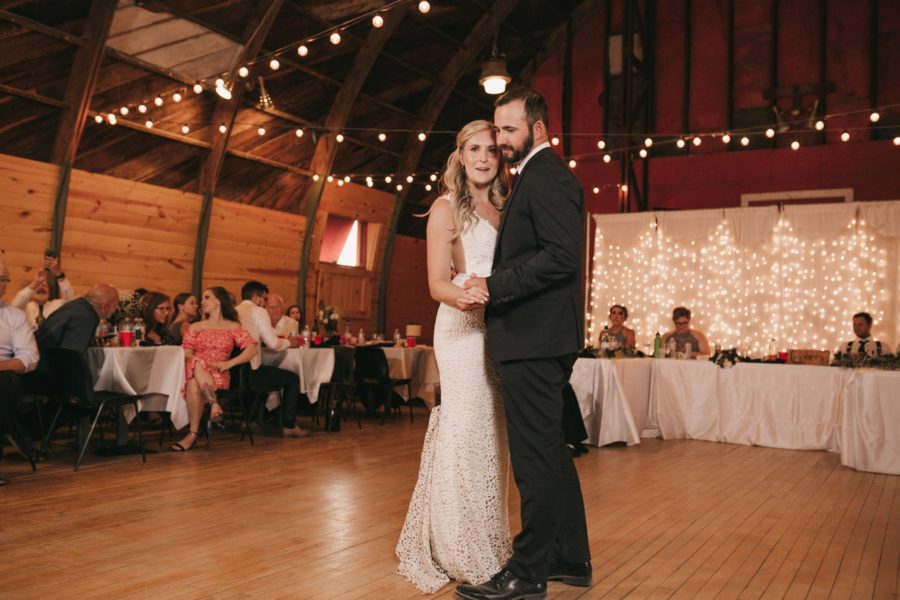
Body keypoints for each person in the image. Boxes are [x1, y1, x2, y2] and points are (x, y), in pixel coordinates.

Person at [458, 88, 591, 600]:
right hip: (538, 339)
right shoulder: (533, 178)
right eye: (498, 130)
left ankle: (528, 571)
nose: (501, 140)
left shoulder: (549, 176)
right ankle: (571, 558)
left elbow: (561, 257)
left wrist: (494, 285)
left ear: (537, 129)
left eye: (509, 130)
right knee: (551, 454)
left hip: (534, 340)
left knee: (535, 460)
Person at [396, 120, 511, 593]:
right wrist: (465, 297)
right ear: (460, 156)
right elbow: (436, 282)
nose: (484, 157)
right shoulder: (446, 208)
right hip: (462, 327)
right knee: (465, 427)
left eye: (492, 150)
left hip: (502, 326)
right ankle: (458, 544)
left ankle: (491, 536)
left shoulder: (507, 207)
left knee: (494, 431)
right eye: (474, 149)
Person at [172, 287, 257, 452]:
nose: (202, 302)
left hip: (219, 374)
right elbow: (186, 351)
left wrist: (228, 364)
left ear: (218, 300)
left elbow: (252, 349)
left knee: (194, 383)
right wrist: (197, 360)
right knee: (196, 364)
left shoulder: (233, 326)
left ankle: (192, 435)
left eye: (206, 298)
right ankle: (214, 403)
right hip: (194, 369)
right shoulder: (195, 326)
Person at [235, 281, 307, 438]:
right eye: (264, 298)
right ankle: (289, 425)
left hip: (235, 373)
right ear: (256, 297)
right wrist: (290, 342)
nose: (265, 303)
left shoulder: (233, 311)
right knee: (293, 379)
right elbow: (273, 343)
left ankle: (250, 420)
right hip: (252, 374)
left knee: (268, 372)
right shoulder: (258, 312)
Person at [0, 256, 40, 484]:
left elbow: (29, 356)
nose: (0, 284)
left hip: (2, 379)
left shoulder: (13, 316)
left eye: (3, 279)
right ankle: (11, 426)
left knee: (6, 381)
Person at [34, 283, 119, 355]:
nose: (117, 308)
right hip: (40, 369)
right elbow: (71, 358)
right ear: (103, 307)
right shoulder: (86, 318)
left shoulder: (76, 306)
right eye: (115, 304)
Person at [11, 254, 74, 329]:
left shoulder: (57, 306)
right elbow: (15, 306)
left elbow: (70, 299)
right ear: (32, 292)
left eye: (44, 286)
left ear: (49, 292)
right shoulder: (25, 308)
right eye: (38, 286)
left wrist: (58, 274)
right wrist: (34, 283)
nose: (41, 287)